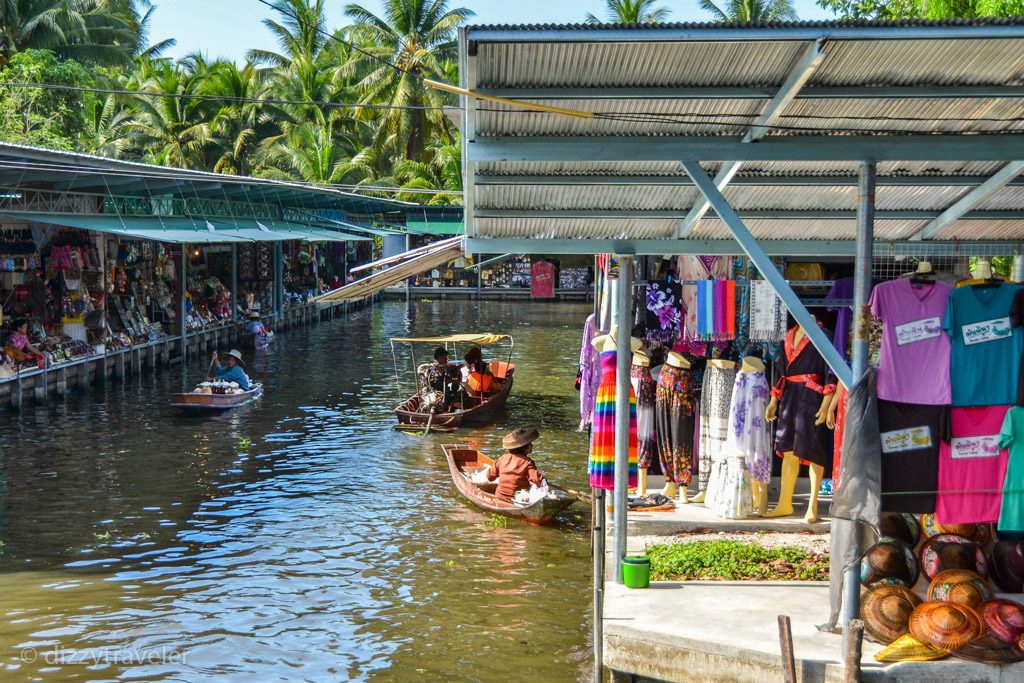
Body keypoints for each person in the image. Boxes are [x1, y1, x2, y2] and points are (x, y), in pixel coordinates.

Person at [486, 428, 546, 503]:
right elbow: (538, 480)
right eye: (530, 443)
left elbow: (489, 477)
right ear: (525, 447)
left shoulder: (502, 459)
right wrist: (544, 481)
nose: (532, 445)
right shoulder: (527, 463)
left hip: (499, 497)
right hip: (516, 500)